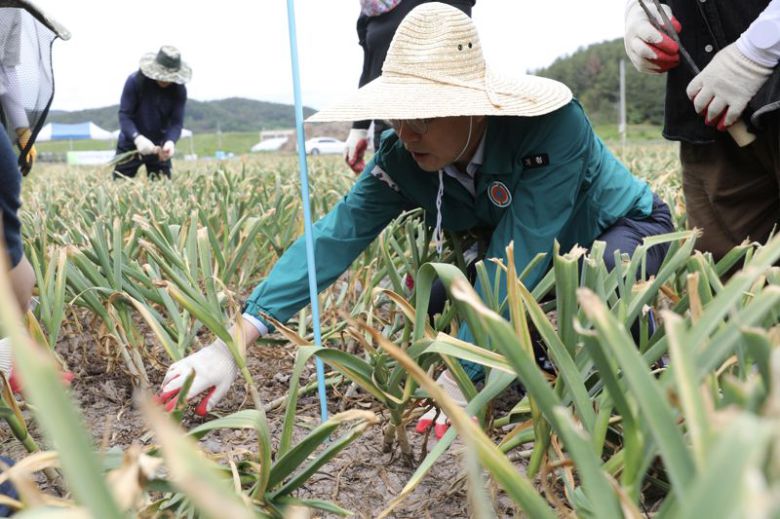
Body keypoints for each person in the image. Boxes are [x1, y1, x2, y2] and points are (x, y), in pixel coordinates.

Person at [157, 3, 674, 440]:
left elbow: (520, 252)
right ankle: (528, 357)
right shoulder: (401, 156)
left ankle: (646, 352)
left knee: (600, 278)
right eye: (396, 115)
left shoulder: (550, 128)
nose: (406, 133)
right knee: (439, 294)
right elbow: (335, 236)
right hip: (527, 253)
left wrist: (459, 378)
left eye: (422, 116)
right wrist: (232, 342)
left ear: (474, 107)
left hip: (618, 230)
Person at [624, 0, 780, 261]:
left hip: (761, 88)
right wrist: (637, 14)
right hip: (710, 114)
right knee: (727, 271)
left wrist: (757, 50)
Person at [344, 0, 475, 174]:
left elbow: (460, 51)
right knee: (392, 181)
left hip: (431, 120)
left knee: (443, 185)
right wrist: (359, 128)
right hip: (388, 121)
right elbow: (370, 67)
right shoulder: (371, 8)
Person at [113, 45, 190, 180]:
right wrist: (137, 138)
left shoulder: (179, 90)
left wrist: (170, 141)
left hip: (160, 146)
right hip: (131, 144)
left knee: (162, 186)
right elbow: (125, 116)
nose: (165, 80)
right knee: (120, 183)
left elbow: (176, 123)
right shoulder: (135, 81)